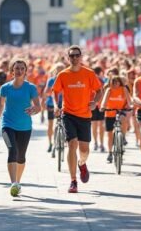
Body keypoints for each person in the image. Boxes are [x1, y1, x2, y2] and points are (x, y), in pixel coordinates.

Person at [52, 45, 103, 193]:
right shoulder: (63, 74)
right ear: (68, 58)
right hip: (68, 114)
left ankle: (82, 163)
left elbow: (99, 90)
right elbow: (55, 92)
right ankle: (73, 180)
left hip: (85, 115)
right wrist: (56, 105)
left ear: (81, 57)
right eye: (71, 56)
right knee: (72, 144)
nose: (74, 58)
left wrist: (95, 102)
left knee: (84, 150)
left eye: (77, 55)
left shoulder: (89, 73)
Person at [0, 58, 41, 197]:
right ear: (11, 71)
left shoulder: (31, 87)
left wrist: (34, 109)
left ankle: (18, 181)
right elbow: (1, 105)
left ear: (25, 71)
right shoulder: (5, 88)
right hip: (8, 124)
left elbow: (38, 106)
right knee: (12, 150)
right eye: (16, 68)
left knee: (21, 156)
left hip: (25, 126)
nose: (19, 71)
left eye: (22, 68)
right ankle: (13, 182)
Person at [99, 75, 131, 164]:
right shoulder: (109, 90)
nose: (115, 84)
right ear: (110, 83)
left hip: (121, 111)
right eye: (113, 82)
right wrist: (102, 107)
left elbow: (129, 99)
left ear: (119, 82)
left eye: (117, 82)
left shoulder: (123, 89)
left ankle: (123, 137)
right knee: (109, 135)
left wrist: (130, 105)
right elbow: (104, 100)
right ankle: (110, 152)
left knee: (123, 119)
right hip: (109, 113)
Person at [43, 63, 65, 154]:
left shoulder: (65, 79)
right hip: (51, 103)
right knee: (50, 124)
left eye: (61, 69)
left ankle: (62, 140)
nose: (59, 71)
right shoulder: (51, 80)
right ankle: (50, 143)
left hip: (63, 104)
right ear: (54, 71)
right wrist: (50, 93)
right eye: (57, 69)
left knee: (64, 122)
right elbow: (45, 92)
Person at [90, 66, 106, 153]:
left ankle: (97, 143)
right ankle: (100, 144)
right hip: (97, 105)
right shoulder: (100, 80)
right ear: (100, 73)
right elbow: (102, 92)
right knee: (100, 126)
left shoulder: (93, 79)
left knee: (95, 126)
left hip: (95, 105)